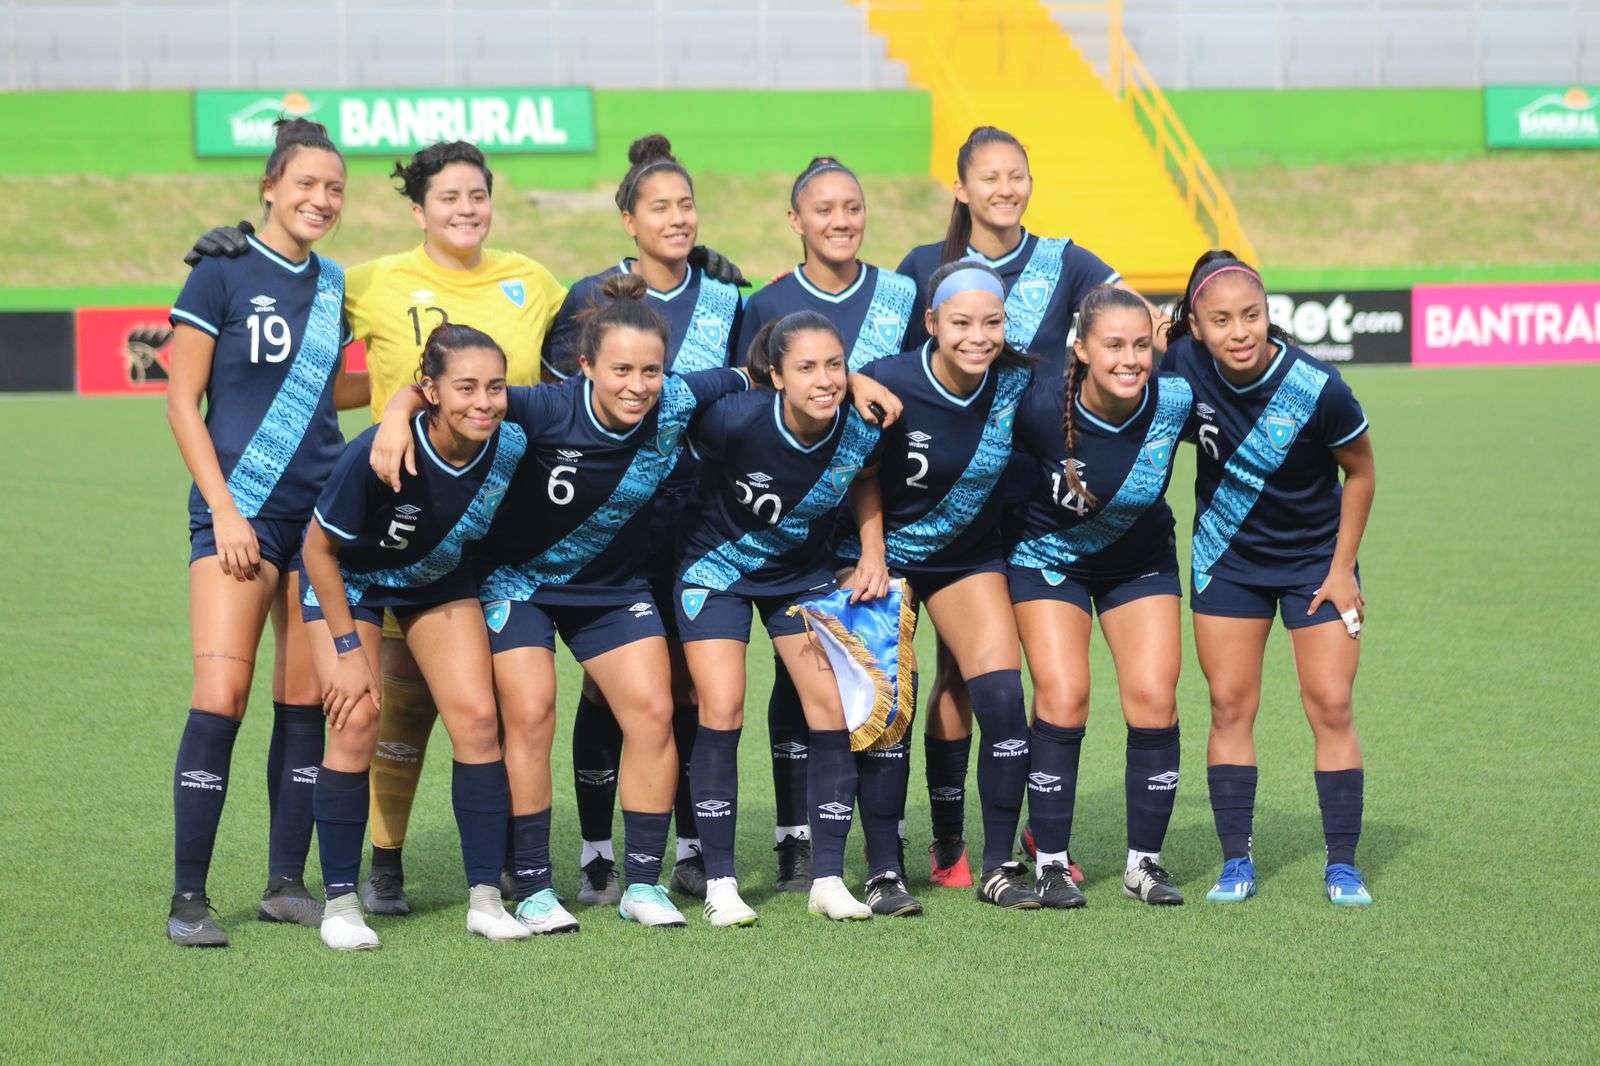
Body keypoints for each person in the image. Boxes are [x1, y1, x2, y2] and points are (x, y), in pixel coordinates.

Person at [183, 140, 749, 916]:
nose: (465, 210)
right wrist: (236, 247)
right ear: (418, 210)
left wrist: (686, 258)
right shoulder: (370, 280)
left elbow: (607, 312)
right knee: (388, 715)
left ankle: (510, 874)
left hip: (487, 525)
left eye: (476, 196)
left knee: (467, 710)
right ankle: (377, 865)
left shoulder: (534, 282)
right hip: (382, 510)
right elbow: (287, 311)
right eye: (447, 198)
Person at [896, 126, 1166, 886]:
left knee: (1007, 677)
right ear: (962, 188)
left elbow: (1133, 318)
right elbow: (882, 368)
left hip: (1040, 501)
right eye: (990, 177)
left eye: (1018, 174)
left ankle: (1031, 835)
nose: (1006, 189)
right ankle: (949, 845)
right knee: (955, 675)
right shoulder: (925, 268)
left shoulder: (1069, 261)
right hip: (951, 496)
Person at [163, 118, 368, 947]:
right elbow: (183, 400)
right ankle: (188, 898)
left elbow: (329, 393)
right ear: (270, 188)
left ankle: (287, 883)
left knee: (302, 701)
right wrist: (223, 508)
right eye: (307, 184)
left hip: (317, 519)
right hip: (238, 510)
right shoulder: (219, 271)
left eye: (335, 189)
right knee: (223, 696)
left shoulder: (335, 285)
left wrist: (404, 393)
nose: (322, 200)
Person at [540, 135, 745, 907]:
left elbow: (746, 390)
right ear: (627, 218)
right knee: (608, 692)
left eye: (686, 204)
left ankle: (687, 844)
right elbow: (561, 407)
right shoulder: (592, 299)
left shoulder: (726, 294)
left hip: (696, 523)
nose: (677, 218)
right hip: (616, 522)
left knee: (686, 689)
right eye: (658, 206)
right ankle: (597, 852)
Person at [299, 323, 529, 950]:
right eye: (465, 387)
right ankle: (341, 904)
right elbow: (317, 550)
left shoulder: (509, 445)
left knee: (480, 723)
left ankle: (485, 897)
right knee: (355, 721)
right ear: (429, 389)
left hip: (435, 580)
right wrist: (347, 651)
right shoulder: (380, 451)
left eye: (495, 387)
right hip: (349, 582)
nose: (483, 402)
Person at [1160, 251, 1376, 907]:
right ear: (1195, 326)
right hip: (1229, 563)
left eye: (1251, 315)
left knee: (1331, 704)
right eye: (1221, 320)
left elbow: (1360, 473)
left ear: (1268, 315)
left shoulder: (1317, 386)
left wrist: (1342, 569)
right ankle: (1236, 863)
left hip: (1317, 565)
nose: (1240, 331)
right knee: (1230, 707)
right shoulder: (1180, 366)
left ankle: (1342, 864)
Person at [733, 155, 920, 896]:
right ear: (796, 221)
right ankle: (795, 836)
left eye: (852, 207)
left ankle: (885, 845)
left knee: (875, 670)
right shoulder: (767, 302)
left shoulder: (902, 293)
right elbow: (750, 398)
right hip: (796, 523)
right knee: (798, 678)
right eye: (824, 209)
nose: (840, 221)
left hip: (878, 508)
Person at [676, 312, 892, 926]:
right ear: (775, 376)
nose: (824, 380)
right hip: (715, 573)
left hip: (798, 576)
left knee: (831, 708)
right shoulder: (732, 421)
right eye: (805, 368)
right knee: (723, 708)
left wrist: (872, 552)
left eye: (834, 365)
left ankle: (826, 878)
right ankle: (719, 883)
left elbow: (865, 480)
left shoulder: (860, 425)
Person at [842, 261, 1040, 910]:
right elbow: (862, 476)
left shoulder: (1016, 380)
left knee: (1003, 697)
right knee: (891, 701)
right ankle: (884, 870)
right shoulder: (891, 381)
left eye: (992, 322)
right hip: (885, 555)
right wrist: (872, 554)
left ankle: (993, 864)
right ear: (931, 324)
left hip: (965, 557)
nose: (978, 336)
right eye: (960, 323)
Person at [1008, 285, 1195, 909]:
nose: (1130, 359)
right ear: (1081, 349)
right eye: (1113, 345)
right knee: (1065, 694)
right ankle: (1052, 862)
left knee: (1153, 697)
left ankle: (1145, 864)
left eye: (1142, 345)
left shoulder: (1175, 398)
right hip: (1049, 561)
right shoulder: (1036, 405)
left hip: (1139, 563)